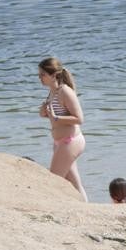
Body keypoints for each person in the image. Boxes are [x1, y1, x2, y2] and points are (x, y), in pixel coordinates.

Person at [37, 58, 87, 201]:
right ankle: (87, 208)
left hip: (71, 141)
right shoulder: (52, 92)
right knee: (74, 184)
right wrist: (44, 113)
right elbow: (56, 117)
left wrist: (56, 118)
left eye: (43, 74)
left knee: (53, 180)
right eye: (39, 75)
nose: (40, 78)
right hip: (60, 142)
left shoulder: (65, 91)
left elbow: (79, 118)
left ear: (54, 75)